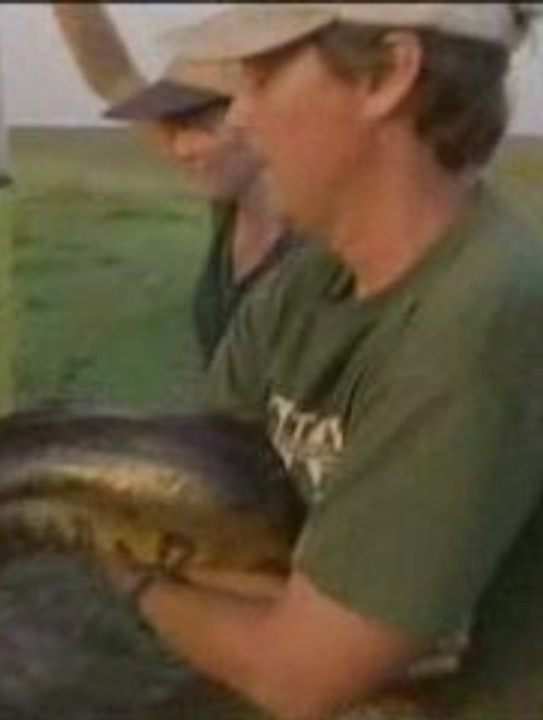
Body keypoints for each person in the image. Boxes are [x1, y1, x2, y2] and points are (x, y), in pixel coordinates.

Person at [102, 4, 543, 719]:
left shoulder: (486, 313)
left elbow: (300, 677)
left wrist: (125, 570)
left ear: (387, 74)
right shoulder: (304, 289)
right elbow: (193, 505)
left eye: (264, 73)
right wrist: (297, 601)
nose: (237, 117)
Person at [52, 4, 290, 363]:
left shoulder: (322, 249)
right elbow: (116, 78)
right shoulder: (229, 201)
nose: (180, 148)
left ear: (255, 112)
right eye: (175, 128)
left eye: (199, 126)